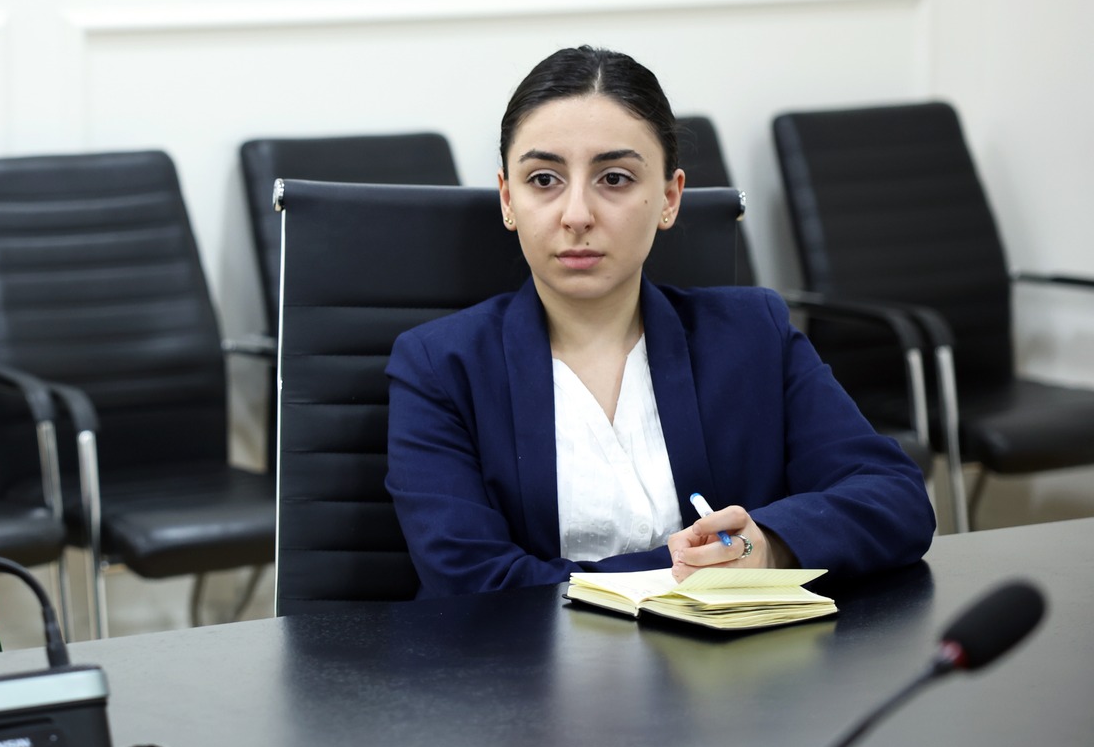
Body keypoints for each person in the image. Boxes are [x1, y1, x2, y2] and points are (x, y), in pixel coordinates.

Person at [384, 46, 935, 598]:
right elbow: (472, 584)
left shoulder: (753, 334)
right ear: (508, 199)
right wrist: (687, 569)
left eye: (615, 178)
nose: (577, 215)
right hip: (534, 655)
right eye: (544, 179)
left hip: (733, 652)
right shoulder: (440, 367)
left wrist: (769, 544)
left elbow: (895, 497)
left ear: (670, 197)